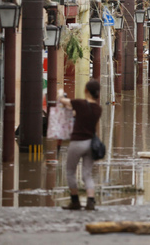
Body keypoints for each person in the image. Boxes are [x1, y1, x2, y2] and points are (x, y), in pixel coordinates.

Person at [59, 79, 103, 211]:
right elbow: (81, 115)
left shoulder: (80, 103)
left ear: (86, 91)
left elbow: (62, 101)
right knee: (87, 175)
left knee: (70, 172)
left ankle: (75, 201)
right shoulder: (98, 109)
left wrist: (60, 93)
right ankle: (90, 201)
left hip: (77, 143)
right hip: (90, 144)